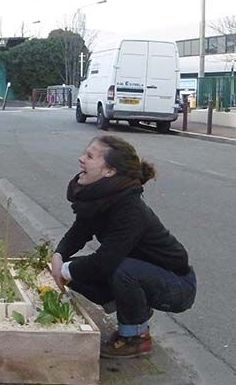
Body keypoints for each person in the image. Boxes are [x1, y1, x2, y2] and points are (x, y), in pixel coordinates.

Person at [52, 135, 196, 358]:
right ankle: (135, 308)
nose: (81, 159)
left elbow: (105, 262)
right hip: (140, 272)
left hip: (177, 284)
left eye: (89, 156)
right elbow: (77, 233)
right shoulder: (101, 197)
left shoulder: (129, 208)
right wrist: (59, 255)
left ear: (109, 171)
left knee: (117, 269)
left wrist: (64, 270)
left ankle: (136, 338)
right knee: (77, 271)